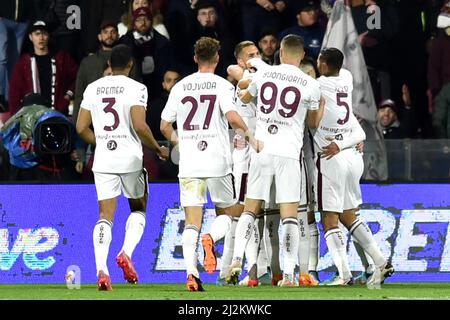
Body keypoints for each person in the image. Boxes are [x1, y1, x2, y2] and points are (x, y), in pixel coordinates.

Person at [160, 37, 256, 292]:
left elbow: (163, 125)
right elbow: (233, 117)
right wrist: (251, 137)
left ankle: (191, 273)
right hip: (217, 162)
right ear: (217, 59)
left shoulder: (180, 87)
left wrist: (178, 141)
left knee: (192, 220)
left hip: (190, 163)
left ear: (195, 58)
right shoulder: (222, 85)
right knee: (228, 212)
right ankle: (211, 238)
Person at [227, 34, 324, 287]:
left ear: (280, 52)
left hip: (261, 148)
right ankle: (290, 274)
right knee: (289, 215)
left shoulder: (264, 74)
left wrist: (246, 84)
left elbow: (246, 98)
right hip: (289, 153)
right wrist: (319, 106)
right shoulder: (310, 83)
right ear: (302, 55)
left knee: (251, 208)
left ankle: (237, 259)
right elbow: (312, 124)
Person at [76, 44, 169, 291]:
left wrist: (103, 142)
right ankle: (126, 253)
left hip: (104, 159)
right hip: (130, 159)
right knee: (138, 207)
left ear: (109, 65)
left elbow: (80, 128)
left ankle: (101, 270)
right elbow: (140, 125)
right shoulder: (137, 88)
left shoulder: (92, 88)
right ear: (131, 65)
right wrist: (157, 149)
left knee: (105, 215)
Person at [313, 47, 394, 286]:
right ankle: (380, 261)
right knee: (350, 215)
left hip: (330, 158)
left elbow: (311, 116)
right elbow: (355, 127)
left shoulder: (317, 85)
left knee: (329, 218)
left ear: (324, 65)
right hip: (351, 157)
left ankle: (344, 274)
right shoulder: (346, 78)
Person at [8, 20, 78, 116]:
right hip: (32, 116)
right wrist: (16, 118)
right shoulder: (23, 63)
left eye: (44, 34)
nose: (41, 38)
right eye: (37, 34)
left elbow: (78, 76)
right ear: (30, 37)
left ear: (48, 36)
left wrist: (68, 94)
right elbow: (14, 93)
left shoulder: (61, 58)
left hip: (58, 113)